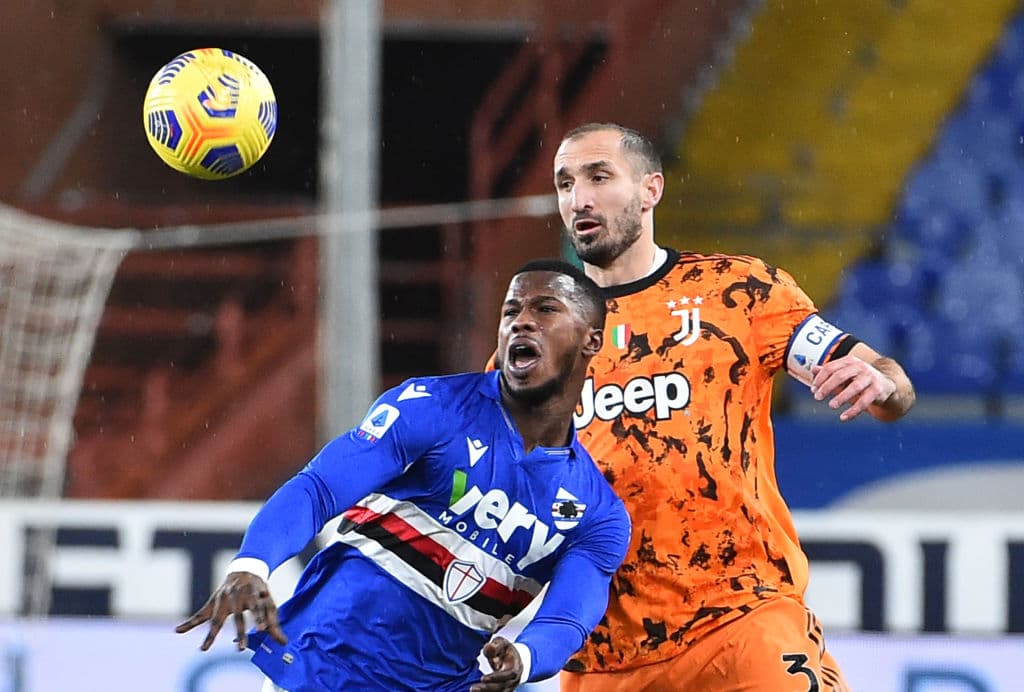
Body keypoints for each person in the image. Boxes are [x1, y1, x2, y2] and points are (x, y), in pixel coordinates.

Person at [551, 123, 916, 691]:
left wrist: (880, 384)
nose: (580, 198)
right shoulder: (540, 335)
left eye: (599, 177)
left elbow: (892, 386)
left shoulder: (737, 292)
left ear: (651, 189)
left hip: (743, 617)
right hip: (603, 652)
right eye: (565, 183)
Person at [175, 259, 632, 692]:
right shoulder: (432, 407)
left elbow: (566, 617)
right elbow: (319, 489)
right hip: (323, 667)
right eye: (511, 311)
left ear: (592, 340)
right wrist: (251, 563)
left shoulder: (598, 514)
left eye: (545, 309)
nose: (522, 321)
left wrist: (526, 657)